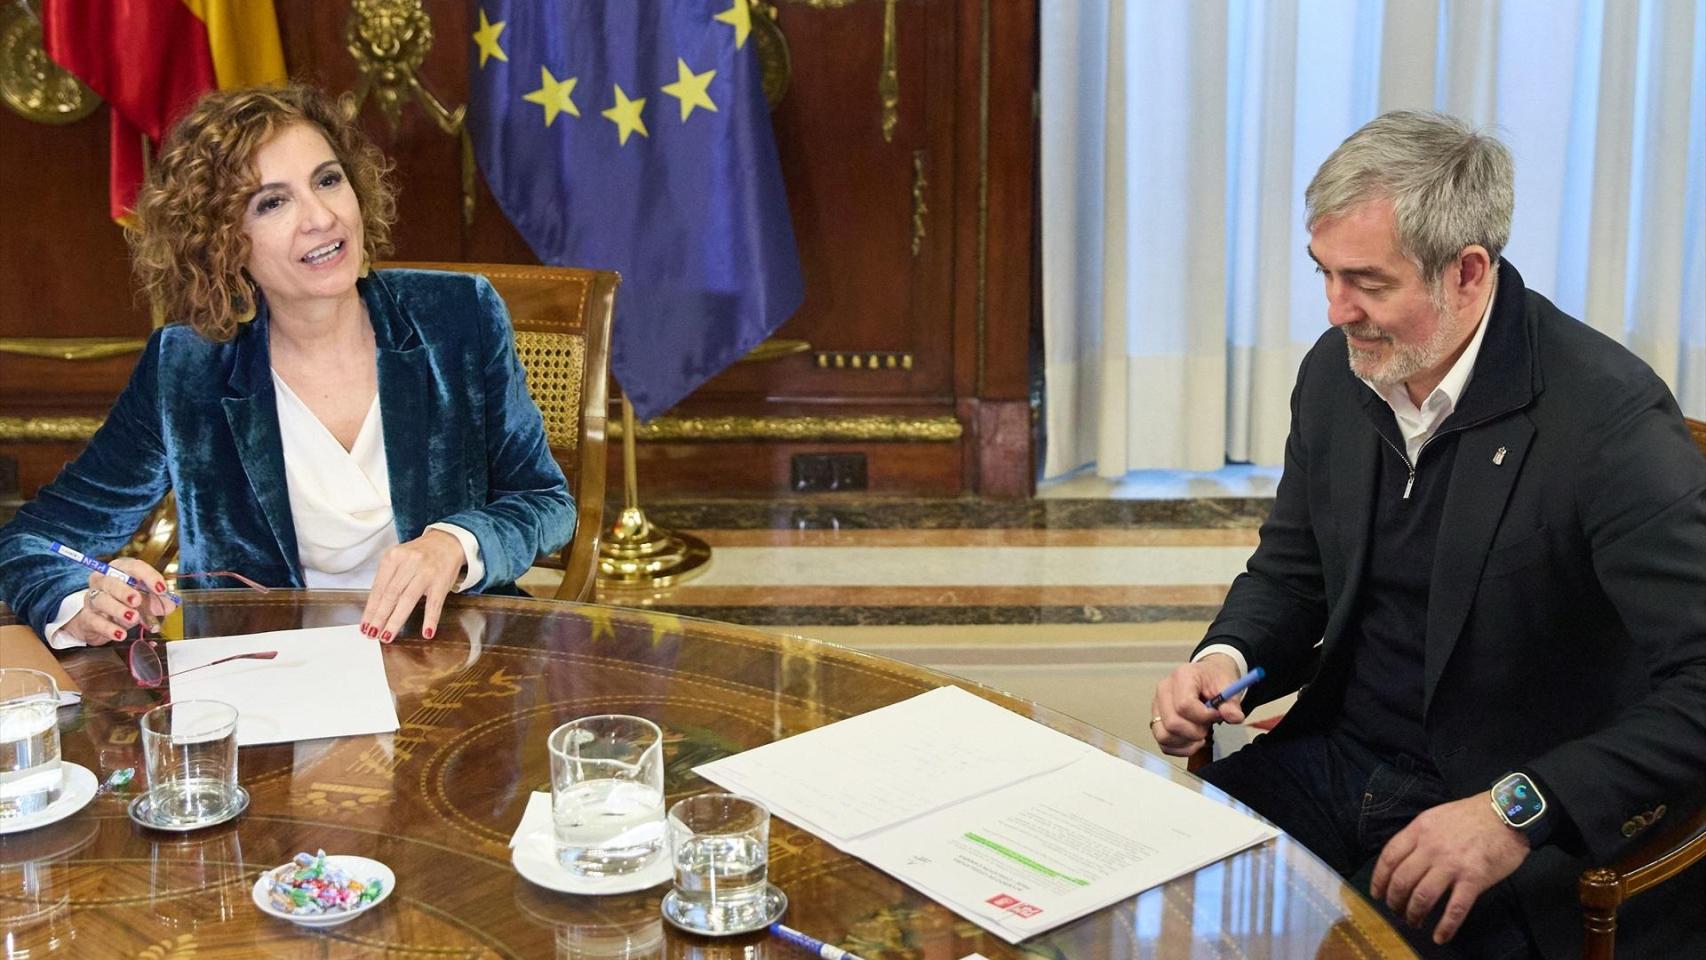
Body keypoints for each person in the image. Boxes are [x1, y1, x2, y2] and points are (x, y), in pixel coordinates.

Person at [1149, 111, 1706, 960]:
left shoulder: (1608, 421)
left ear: (1468, 272)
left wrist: (1518, 809)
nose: (1337, 311)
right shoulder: (1338, 374)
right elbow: (1294, 574)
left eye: (1367, 283)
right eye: (1324, 273)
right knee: (1145, 890)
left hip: (1506, 806)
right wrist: (1225, 661)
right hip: (1338, 759)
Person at [0, 85, 574, 648]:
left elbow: (545, 502)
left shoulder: (457, 316)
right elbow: (32, 542)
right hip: (265, 674)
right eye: (272, 202)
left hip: (447, 660)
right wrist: (82, 601)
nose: (321, 217)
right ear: (222, 240)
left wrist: (456, 542)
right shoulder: (187, 367)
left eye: (328, 180)